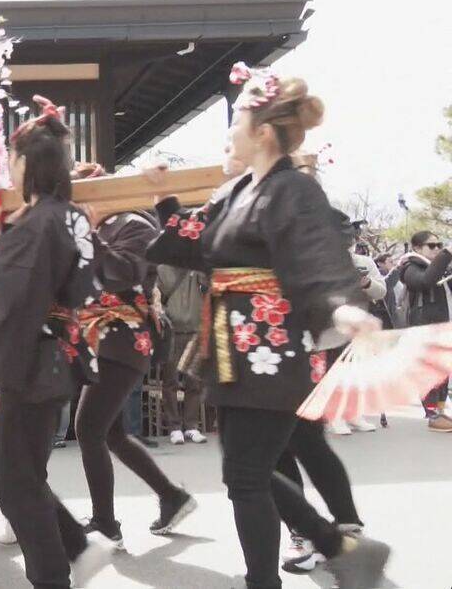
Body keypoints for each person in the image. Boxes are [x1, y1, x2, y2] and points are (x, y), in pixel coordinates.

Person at [147, 62, 390, 589]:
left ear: (261, 132)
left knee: (245, 476)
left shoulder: (292, 190)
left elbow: (316, 254)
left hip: (269, 352)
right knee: (244, 470)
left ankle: (278, 574)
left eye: (237, 119)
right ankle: (337, 545)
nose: (231, 130)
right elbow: (196, 245)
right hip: (237, 352)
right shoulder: (237, 192)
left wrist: (340, 306)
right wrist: (165, 200)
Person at [0, 96, 114, 589]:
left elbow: (9, 306)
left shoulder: (35, 225)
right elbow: (80, 286)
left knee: (15, 481)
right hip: (58, 356)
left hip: (38, 363)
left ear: (25, 165)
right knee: (3, 469)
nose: (8, 170)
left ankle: (56, 574)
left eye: (11, 160)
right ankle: (78, 547)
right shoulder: (71, 216)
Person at [70, 188, 195, 548]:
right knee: (111, 433)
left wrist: (88, 233)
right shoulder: (97, 226)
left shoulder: (135, 224)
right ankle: (172, 496)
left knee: (89, 428)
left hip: (124, 337)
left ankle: (106, 523)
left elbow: (122, 273)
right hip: (102, 338)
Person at [327, 246, 387, 434]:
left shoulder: (364, 262)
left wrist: (366, 282)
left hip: (360, 322)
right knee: (334, 370)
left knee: (356, 370)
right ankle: (334, 415)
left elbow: (381, 292)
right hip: (331, 323)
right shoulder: (320, 258)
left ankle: (353, 414)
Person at [397, 230, 452, 430]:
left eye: (439, 245)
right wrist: (446, 255)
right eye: (432, 246)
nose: (437, 249)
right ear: (417, 248)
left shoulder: (441, 267)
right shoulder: (408, 267)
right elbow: (425, 281)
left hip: (443, 325)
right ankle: (431, 414)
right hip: (423, 327)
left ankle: (441, 410)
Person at [156, 266, 208, 445]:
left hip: (196, 329)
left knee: (194, 381)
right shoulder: (162, 269)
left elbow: (209, 288)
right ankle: (174, 427)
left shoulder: (197, 265)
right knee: (170, 381)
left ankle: (191, 425)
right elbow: (156, 297)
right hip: (172, 331)